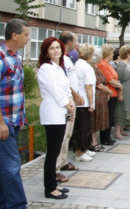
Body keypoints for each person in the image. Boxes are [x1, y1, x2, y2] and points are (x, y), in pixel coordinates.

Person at [37, 37, 75, 199]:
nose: (56, 51)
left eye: (58, 48)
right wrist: (68, 104)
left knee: (56, 149)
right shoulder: (45, 68)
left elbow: (65, 88)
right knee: (52, 152)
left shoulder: (58, 67)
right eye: (52, 48)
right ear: (46, 52)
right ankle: (50, 188)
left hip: (61, 112)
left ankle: (53, 183)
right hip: (53, 112)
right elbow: (55, 91)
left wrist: (70, 103)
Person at [0, 19, 29, 208]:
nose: (28, 39)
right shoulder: (1, 57)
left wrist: (22, 118)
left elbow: (17, 90)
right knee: (11, 167)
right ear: (14, 35)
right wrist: (1, 123)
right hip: (4, 123)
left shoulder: (16, 58)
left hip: (15, 121)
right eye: (26, 35)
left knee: (6, 166)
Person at [55, 31, 84, 183]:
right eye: (76, 39)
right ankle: (55, 168)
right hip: (67, 102)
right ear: (69, 42)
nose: (77, 43)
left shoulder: (66, 59)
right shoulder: (61, 60)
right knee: (63, 133)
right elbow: (66, 83)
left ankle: (63, 160)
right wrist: (76, 96)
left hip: (72, 101)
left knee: (68, 133)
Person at [72, 44, 97, 162]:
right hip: (84, 101)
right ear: (90, 55)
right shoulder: (87, 67)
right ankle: (80, 152)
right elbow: (88, 86)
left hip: (79, 101)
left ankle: (85, 149)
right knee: (83, 128)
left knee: (84, 127)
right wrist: (91, 103)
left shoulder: (77, 65)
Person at [97, 44, 122, 145]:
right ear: (107, 53)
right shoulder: (102, 64)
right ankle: (105, 138)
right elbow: (109, 80)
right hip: (109, 94)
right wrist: (120, 86)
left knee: (110, 116)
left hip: (113, 93)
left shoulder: (108, 64)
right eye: (112, 52)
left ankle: (107, 136)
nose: (113, 54)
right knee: (107, 117)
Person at [114, 46, 130, 138]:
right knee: (121, 110)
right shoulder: (121, 65)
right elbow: (118, 79)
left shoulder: (128, 64)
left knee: (127, 110)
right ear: (128, 54)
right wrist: (120, 93)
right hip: (125, 91)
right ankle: (117, 131)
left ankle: (122, 129)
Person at [90, 49, 113, 152]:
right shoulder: (93, 68)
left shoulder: (95, 67)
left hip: (101, 98)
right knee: (94, 121)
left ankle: (95, 141)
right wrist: (109, 91)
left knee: (97, 121)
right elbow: (98, 83)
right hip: (97, 97)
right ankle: (93, 142)